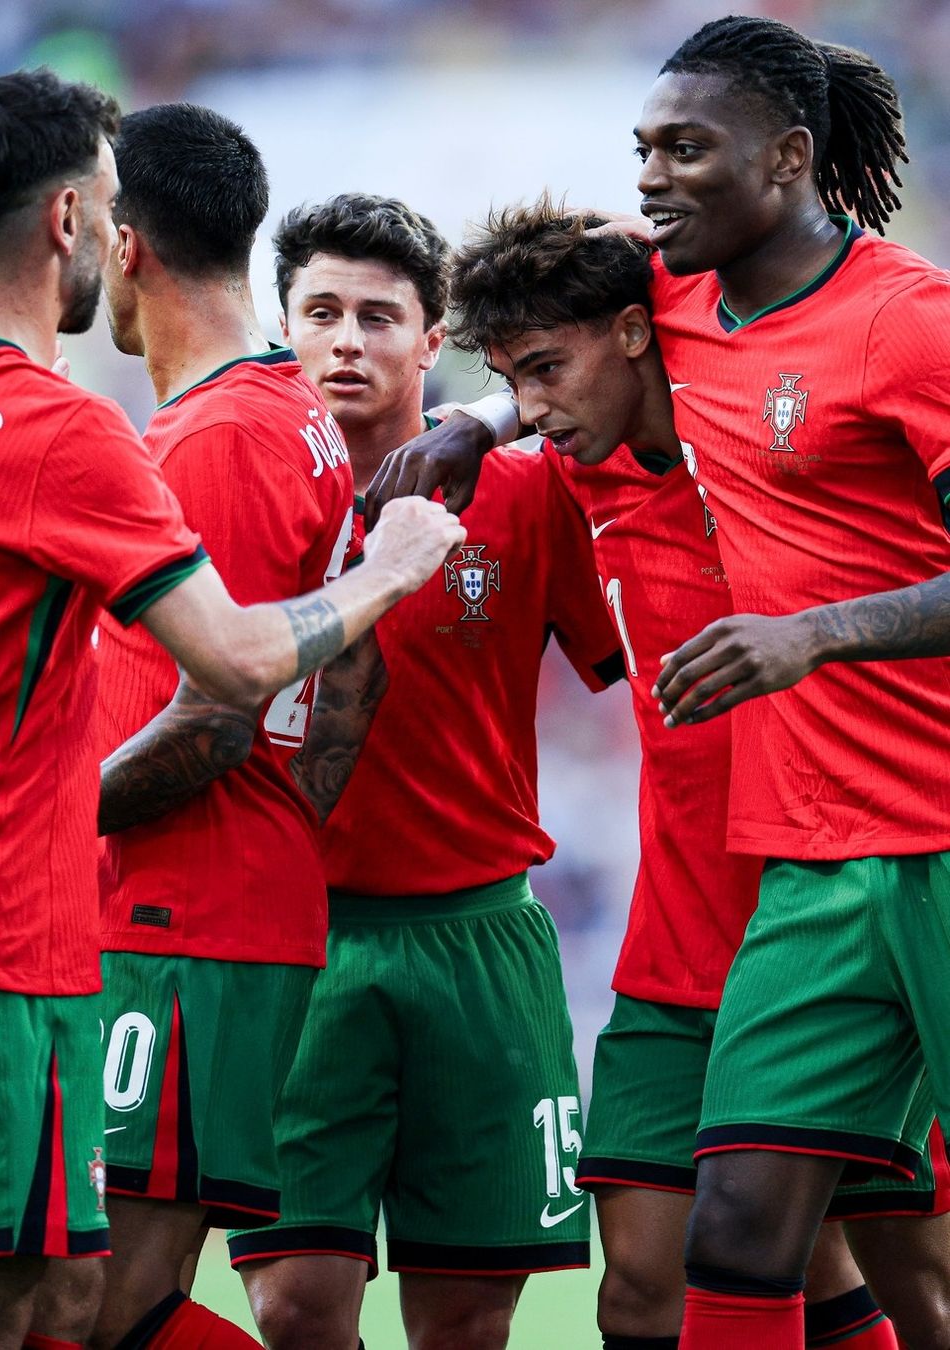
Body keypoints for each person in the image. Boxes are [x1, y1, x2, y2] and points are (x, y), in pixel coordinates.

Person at [371, 16, 950, 1348]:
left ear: (788, 157)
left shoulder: (900, 322)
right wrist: (475, 419)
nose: (651, 177)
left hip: (926, 835)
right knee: (712, 1246)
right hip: (793, 879)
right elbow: (556, 321)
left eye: (685, 148)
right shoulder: (664, 315)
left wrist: (814, 634)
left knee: (899, 1270)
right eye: (644, 149)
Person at [0, 72, 462, 1350]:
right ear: (74, 223)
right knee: (48, 1301)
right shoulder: (211, 424)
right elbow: (320, 679)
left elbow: (224, 704)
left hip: (150, 914)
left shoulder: (191, 434)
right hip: (39, 913)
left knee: (68, 1305)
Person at [227, 192, 621, 1350]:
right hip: (300, 944)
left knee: (467, 1319)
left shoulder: (527, 491)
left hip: (479, 942)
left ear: (433, 336)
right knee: (297, 1309)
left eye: (379, 316)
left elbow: (617, 659)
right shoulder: (239, 490)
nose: (347, 341)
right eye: (321, 313)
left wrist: (497, 418)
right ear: (282, 327)